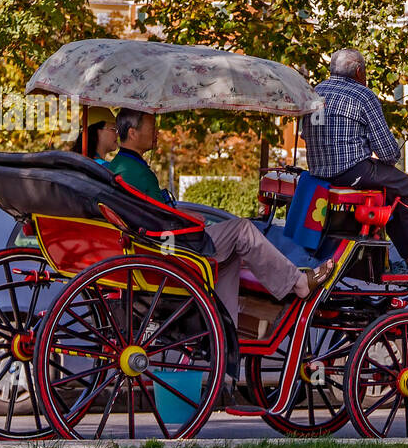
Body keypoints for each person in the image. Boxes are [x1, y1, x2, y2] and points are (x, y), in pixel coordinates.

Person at [108, 108, 329, 327]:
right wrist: (184, 218)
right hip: (170, 247)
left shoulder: (122, 166)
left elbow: (151, 212)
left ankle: (224, 331)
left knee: (231, 253)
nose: (157, 132)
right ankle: (297, 282)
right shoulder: (133, 172)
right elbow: (155, 217)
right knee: (242, 229)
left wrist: (180, 214)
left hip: (162, 242)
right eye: (151, 127)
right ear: (133, 132)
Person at [306, 49, 408, 274]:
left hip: (317, 171)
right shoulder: (362, 95)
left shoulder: (315, 92)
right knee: (406, 186)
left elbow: (305, 135)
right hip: (350, 171)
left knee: (392, 194)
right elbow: (388, 153)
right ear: (359, 71)